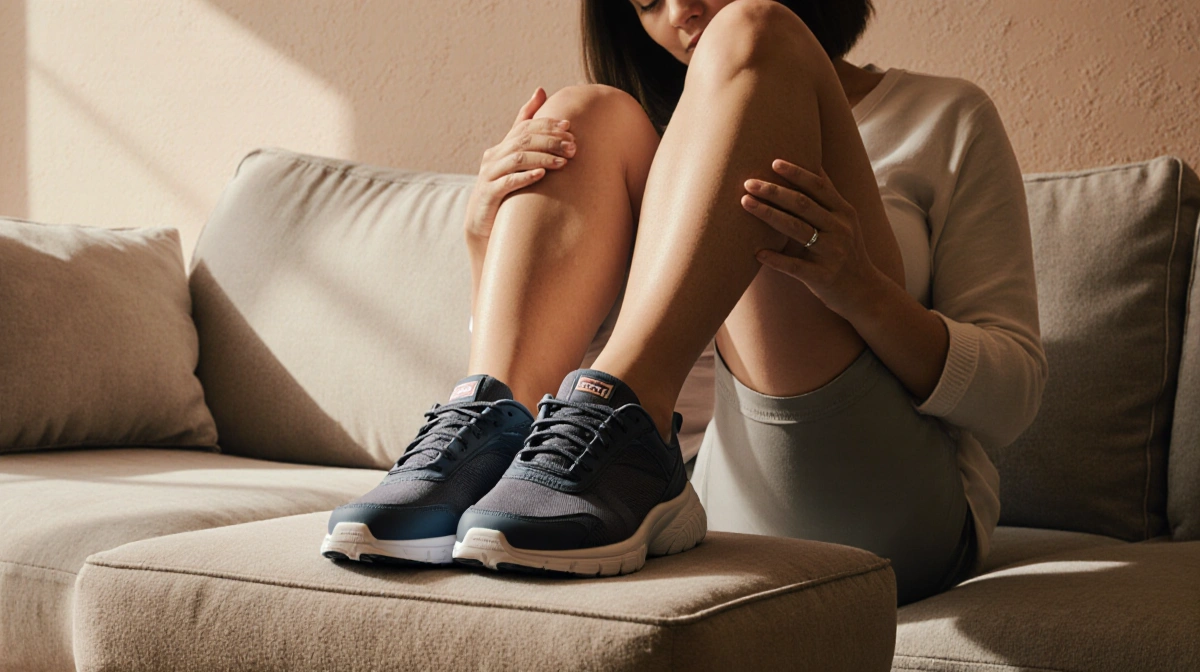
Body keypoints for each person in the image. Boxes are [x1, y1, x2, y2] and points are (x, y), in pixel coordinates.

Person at [321, 0, 1047, 606]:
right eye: (644, 1)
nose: (679, 12)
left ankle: (627, 411)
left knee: (754, 29)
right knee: (585, 113)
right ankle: (485, 416)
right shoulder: (641, 151)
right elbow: (560, 345)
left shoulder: (944, 116)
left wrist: (864, 292)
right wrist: (485, 241)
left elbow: (1013, 398)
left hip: (884, 510)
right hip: (688, 507)